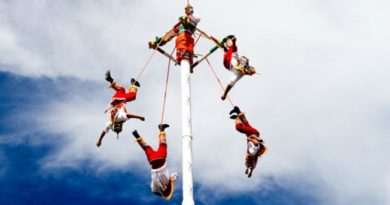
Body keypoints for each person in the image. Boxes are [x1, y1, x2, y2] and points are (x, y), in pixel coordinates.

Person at [96, 70, 145, 147]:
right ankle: (110, 79)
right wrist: (99, 140)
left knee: (132, 96)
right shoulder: (111, 122)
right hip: (115, 100)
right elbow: (104, 131)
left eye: (117, 127)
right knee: (121, 90)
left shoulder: (120, 118)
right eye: (119, 128)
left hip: (120, 100)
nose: (118, 126)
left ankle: (133, 84)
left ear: (115, 126)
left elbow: (129, 115)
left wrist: (140, 117)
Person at [132, 124, 178, 199]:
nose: (164, 187)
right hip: (153, 161)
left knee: (160, 146)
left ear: (162, 190)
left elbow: (175, 175)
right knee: (147, 148)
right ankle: (138, 136)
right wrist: (164, 194)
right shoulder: (156, 185)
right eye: (165, 188)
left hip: (159, 159)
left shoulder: (157, 185)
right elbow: (154, 191)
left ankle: (161, 130)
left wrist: (163, 194)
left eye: (163, 189)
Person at [229, 106, 267, 177]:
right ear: (250, 158)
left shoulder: (249, 154)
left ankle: (237, 110)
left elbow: (252, 167)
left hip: (252, 135)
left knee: (245, 123)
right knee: (239, 128)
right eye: (247, 158)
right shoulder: (253, 151)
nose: (246, 157)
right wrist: (252, 138)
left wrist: (249, 172)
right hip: (253, 134)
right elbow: (253, 139)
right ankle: (237, 117)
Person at [221, 35, 256, 100]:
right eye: (249, 68)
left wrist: (224, 94)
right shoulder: (245, 62)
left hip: (228, 64)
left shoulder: (240, 74)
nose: (247, 69)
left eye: (248, 72)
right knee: (235, 51)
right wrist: (234, 42)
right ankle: (229, 45)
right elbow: (236, 55)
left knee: (228, 55)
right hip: (232, 57)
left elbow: (230, 84)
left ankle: (227, 48)